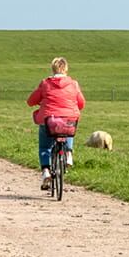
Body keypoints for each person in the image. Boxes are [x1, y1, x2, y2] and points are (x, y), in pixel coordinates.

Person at [25, 57, 85, 191]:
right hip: (69, 118)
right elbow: (81, 103)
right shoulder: (74, 84)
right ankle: (68, 153)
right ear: (66, 69)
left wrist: (38, 102)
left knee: (45, 147)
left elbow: (31, 101)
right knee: (68, 126)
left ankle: (46, 171)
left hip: (49, 119)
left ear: (53, 69)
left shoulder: (45, 83)